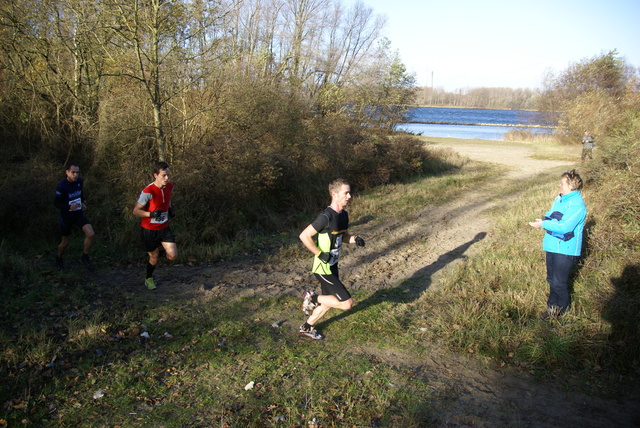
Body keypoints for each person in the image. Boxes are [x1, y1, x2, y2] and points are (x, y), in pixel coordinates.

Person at [298, 178, 365, 339]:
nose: (349, 196)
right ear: (334, 194)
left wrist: (355, 239)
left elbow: (344, 237)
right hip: (323, 268)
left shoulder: (343, 215)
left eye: (350, 192)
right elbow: (304, 236)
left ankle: (307, 327)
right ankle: (311, 297)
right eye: (346, 193)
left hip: (333, 266)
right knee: (346, 303)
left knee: (328, 302)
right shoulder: (326, 217)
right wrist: (320, 253)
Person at [529, 169, 587, 319]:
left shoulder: (577, 205)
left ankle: (563, 312)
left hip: (566, 249)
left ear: (571, 186)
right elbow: (551, 214)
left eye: (562, 183)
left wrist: (545, 224)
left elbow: (565, 226)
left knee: (559, 282)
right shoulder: (559, 199)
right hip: (552, 245)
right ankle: (551, 309)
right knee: (551, 279)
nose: (559, 185)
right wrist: (544, 220)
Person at [132, 161, 177, 290]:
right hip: (149, 230)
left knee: (173, 256)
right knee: (154, 257)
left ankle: (157, 251)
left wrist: (169, 209)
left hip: (164, 228)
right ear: (155, 175)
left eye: (168, 175)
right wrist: (151, 214)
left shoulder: (169, 187)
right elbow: (136, 211)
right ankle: (149, 278)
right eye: (164, 175)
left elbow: (167, 200)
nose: (167, 178)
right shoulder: (148, 191)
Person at [54, 163, 95, 270]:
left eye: (77, 172)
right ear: (67, 172)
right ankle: (58, 258)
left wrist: (83, 202)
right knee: (65, 242)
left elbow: (80, 195)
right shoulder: (61, 186)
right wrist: (68, 206)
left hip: (78, 214)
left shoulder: (79, 182)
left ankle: (85, 256)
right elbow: (57, 203)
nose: (75, 175)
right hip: (66, 217)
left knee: (90, 234)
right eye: (73, 172)